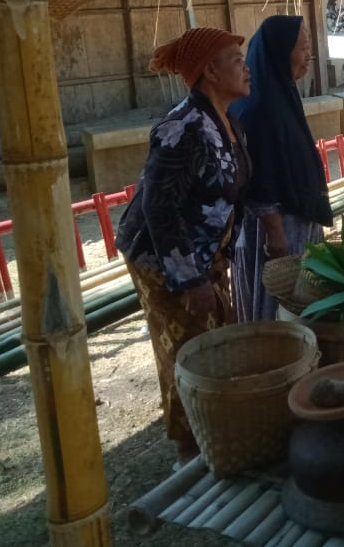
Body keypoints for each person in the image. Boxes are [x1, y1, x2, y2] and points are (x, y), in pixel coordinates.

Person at [116, 27, 252, 465]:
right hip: (164, 260)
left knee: (214, 337)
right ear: (210, 71)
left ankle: (210, 431)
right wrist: (190, 279)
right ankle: (188, 448)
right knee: (185, 348)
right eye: (235, 59)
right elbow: (159, 209)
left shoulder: (228, 124)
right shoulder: (183, 128)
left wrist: (220, 260)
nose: (245, 66)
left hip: (205, 255)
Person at [229, 15, 332, 321]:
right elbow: (257, 176)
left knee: (301, 305)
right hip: (276, 233)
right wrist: (275, 232)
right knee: (277, 306)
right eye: (302, 47)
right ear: (278, 51)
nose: (308, 56)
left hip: (295, 222)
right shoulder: (255, 108)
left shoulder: (280, 94)